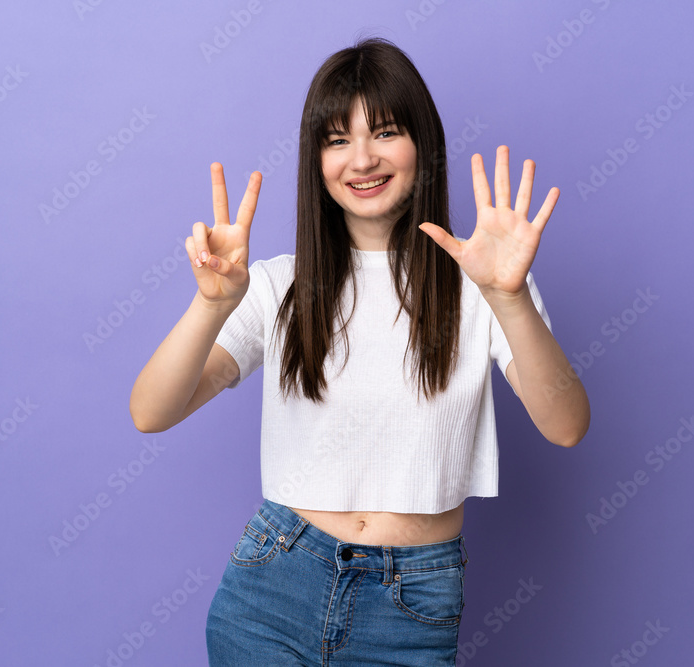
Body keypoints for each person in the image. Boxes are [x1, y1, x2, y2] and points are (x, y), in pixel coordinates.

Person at [130, 37, 589, 665]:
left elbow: (566, 426)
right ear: (316, 160)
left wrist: (507, 297)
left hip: (412, 602)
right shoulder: (275, 284)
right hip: (274, 587)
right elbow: (151, 411)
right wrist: (212, 305)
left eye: (386, 132)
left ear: (422, 144)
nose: (362, 159)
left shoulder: (481, 280)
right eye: (337, 139)